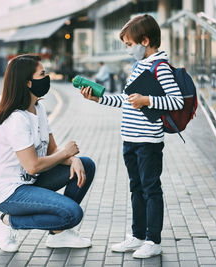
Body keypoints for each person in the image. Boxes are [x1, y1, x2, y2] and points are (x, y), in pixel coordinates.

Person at [80, 14, 183, 258]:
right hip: (130, 140)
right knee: (136, 188)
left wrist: (148, 99)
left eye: (129, 44)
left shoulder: (160, 68)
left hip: (149, 142)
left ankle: (153, 240)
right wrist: (98, 98)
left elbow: (176, 101)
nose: (128, 50)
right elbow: (127, 101)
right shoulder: (138, 67)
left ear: (145, 41)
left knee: (150, 189)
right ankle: (137, 236)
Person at [0, 54, 95, 253]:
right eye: (42, 74)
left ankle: (58, 235)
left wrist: (73, 159)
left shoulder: (39, 108)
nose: (47, 78)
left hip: (30, 181)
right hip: (9, 190)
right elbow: (33, 166)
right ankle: (6, 221)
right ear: (28, 82)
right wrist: (66, 154)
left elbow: (53, 150)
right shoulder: (16, 119)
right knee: (72, 214)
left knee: (85, 164)